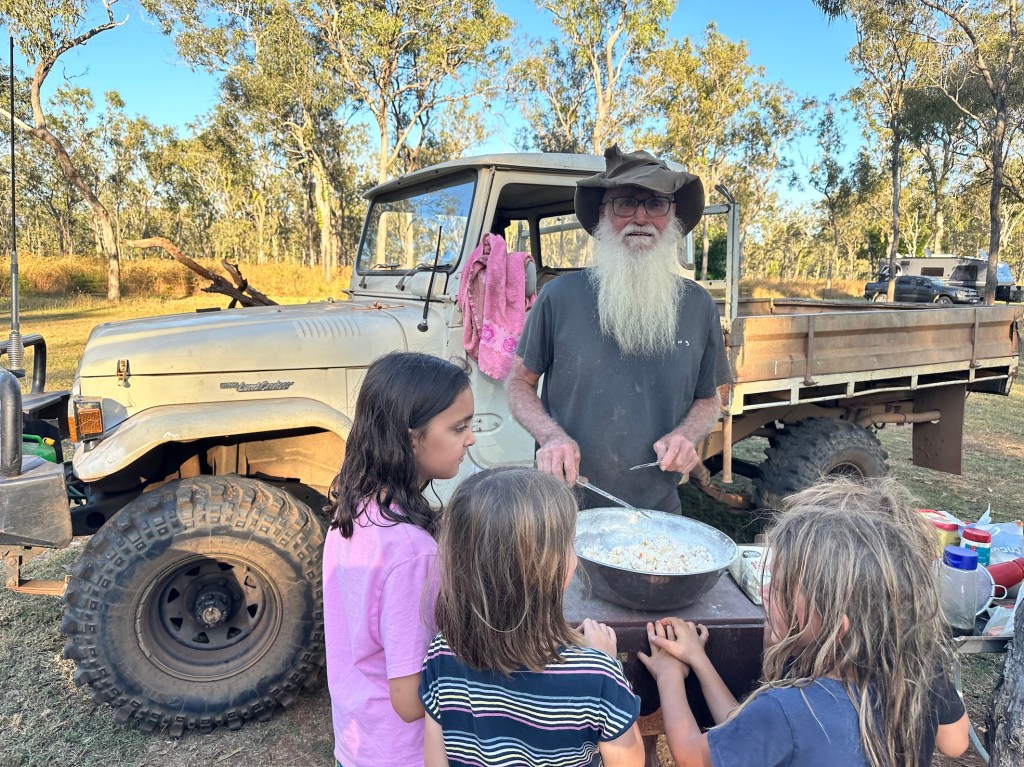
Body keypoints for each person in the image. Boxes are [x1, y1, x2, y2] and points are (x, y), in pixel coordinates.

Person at [637, 477, 971, 767]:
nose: (766, 593)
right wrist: (699, 660)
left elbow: (692, 756)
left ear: (836, 628)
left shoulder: (789, 710)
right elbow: (743, 731)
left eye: (782, 589)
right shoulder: (906, 681)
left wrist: (669, 675)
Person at [505, 144, 732, 514]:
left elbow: (709, 399)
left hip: (657, 509)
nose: (640, 217)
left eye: (656, 204)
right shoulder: (558, 297)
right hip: (562, 506)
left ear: (673, 214)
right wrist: (551, 436)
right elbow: (519, 383)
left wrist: (686, 435)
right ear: (603, 215)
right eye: (625, 203)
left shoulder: (698, 306)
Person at [419, 466, 645, 767]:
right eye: (570, 541)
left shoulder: (442, 654)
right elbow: (630, 762)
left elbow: (435, 760)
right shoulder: (597, 674)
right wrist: (607, 660)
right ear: (551, 568)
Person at [322, 351, 476, 767]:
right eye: (458, 427)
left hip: (359, 742)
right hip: (405, 753)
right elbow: (410, 702)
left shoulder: (353, 509)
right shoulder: (411, 552)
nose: (471, 439)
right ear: (411, 439)